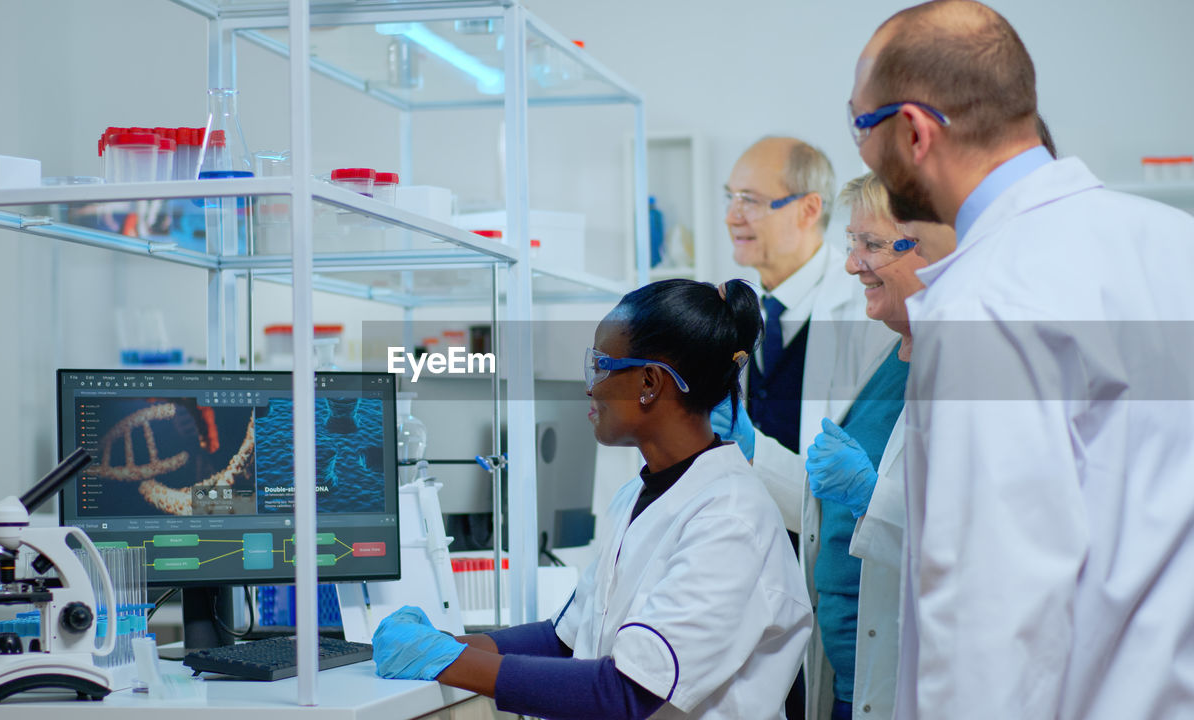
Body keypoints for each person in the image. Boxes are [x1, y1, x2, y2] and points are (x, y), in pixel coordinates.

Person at [849, 2, 1194, 717]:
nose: (862, 153)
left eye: (861, 126)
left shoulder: (987, 298)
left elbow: (990, 624)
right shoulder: (1173, 241)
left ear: (913, 131)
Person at [371, 278, 813, 720]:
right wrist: (443, 644)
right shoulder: (639, 496)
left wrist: (449, 662)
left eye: (601, 365)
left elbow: (626, 695)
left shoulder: (730, 521)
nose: (590, 387)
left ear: (649, 382)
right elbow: (565, 639)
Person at [716, 139, 896, 720]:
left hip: (830, 602)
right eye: (729, 198)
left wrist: (749, 449)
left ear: (808, 208)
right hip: (748, 593)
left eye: (750, 199)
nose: (732, 214)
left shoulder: (873, 317)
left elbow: (832, 502)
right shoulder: (734, 312)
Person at [800, 173, 929, 720]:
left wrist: (871, 494)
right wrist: (751, 452)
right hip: (849, 675)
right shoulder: (891, 354)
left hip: (902, 675)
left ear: (933, 247)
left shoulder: (956, 368)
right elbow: (829, 507)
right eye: (852, 244)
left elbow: (969, 541)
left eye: (871, 245)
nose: (853, 264)